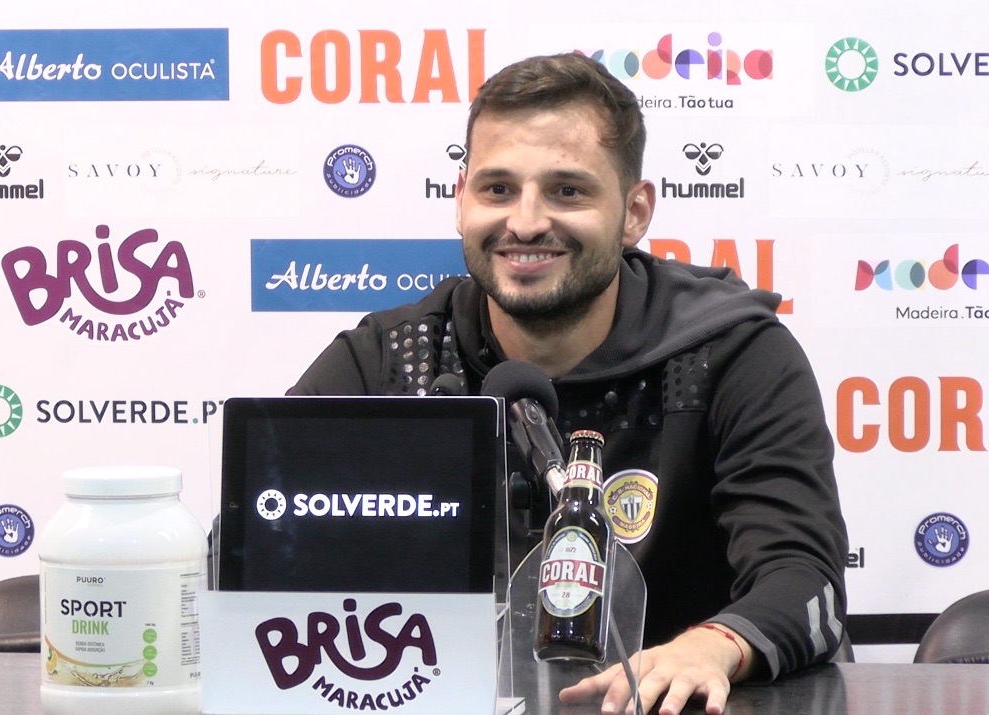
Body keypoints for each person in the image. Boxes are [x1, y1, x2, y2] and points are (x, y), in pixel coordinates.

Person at [291, 53, 848, 715]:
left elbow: (804, 577)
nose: (526, 222)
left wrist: (712, 646)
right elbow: (255, 553)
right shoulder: (389, 361)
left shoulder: (731, 351)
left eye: (567, 191)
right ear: (461, 200)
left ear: (634, 211)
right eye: (498, 189)